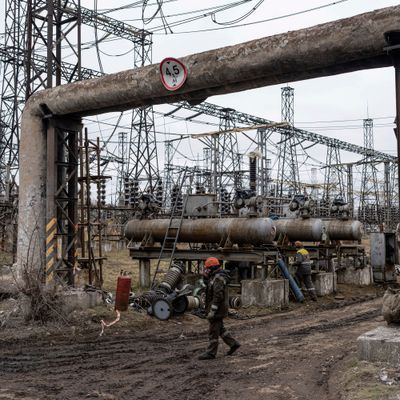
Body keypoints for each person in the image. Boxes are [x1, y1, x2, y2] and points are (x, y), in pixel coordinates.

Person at [198, 257, 241, 360]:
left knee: (213, 331)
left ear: (212, 268)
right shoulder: (214, 277)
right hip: (217, 308)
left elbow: (218, 296)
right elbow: (209, 287)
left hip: (218, 309)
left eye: (207, 268)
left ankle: (211, 353)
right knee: (220, 329)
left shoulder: (218, 278)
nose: (206, 270)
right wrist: (205, 277)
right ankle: (233, 344)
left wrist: (212, 311)